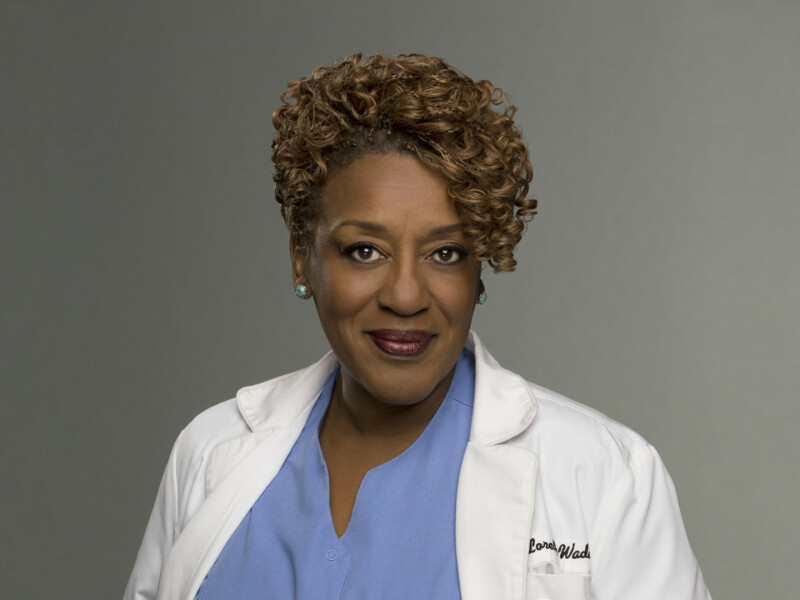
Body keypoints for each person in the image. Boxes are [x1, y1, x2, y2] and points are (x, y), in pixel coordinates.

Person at [124, 54, 711, 600]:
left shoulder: (606, 475)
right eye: (365, 251)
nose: (405, 296)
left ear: (479, 269)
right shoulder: (209, 451)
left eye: (445, 254)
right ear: (302, 258)